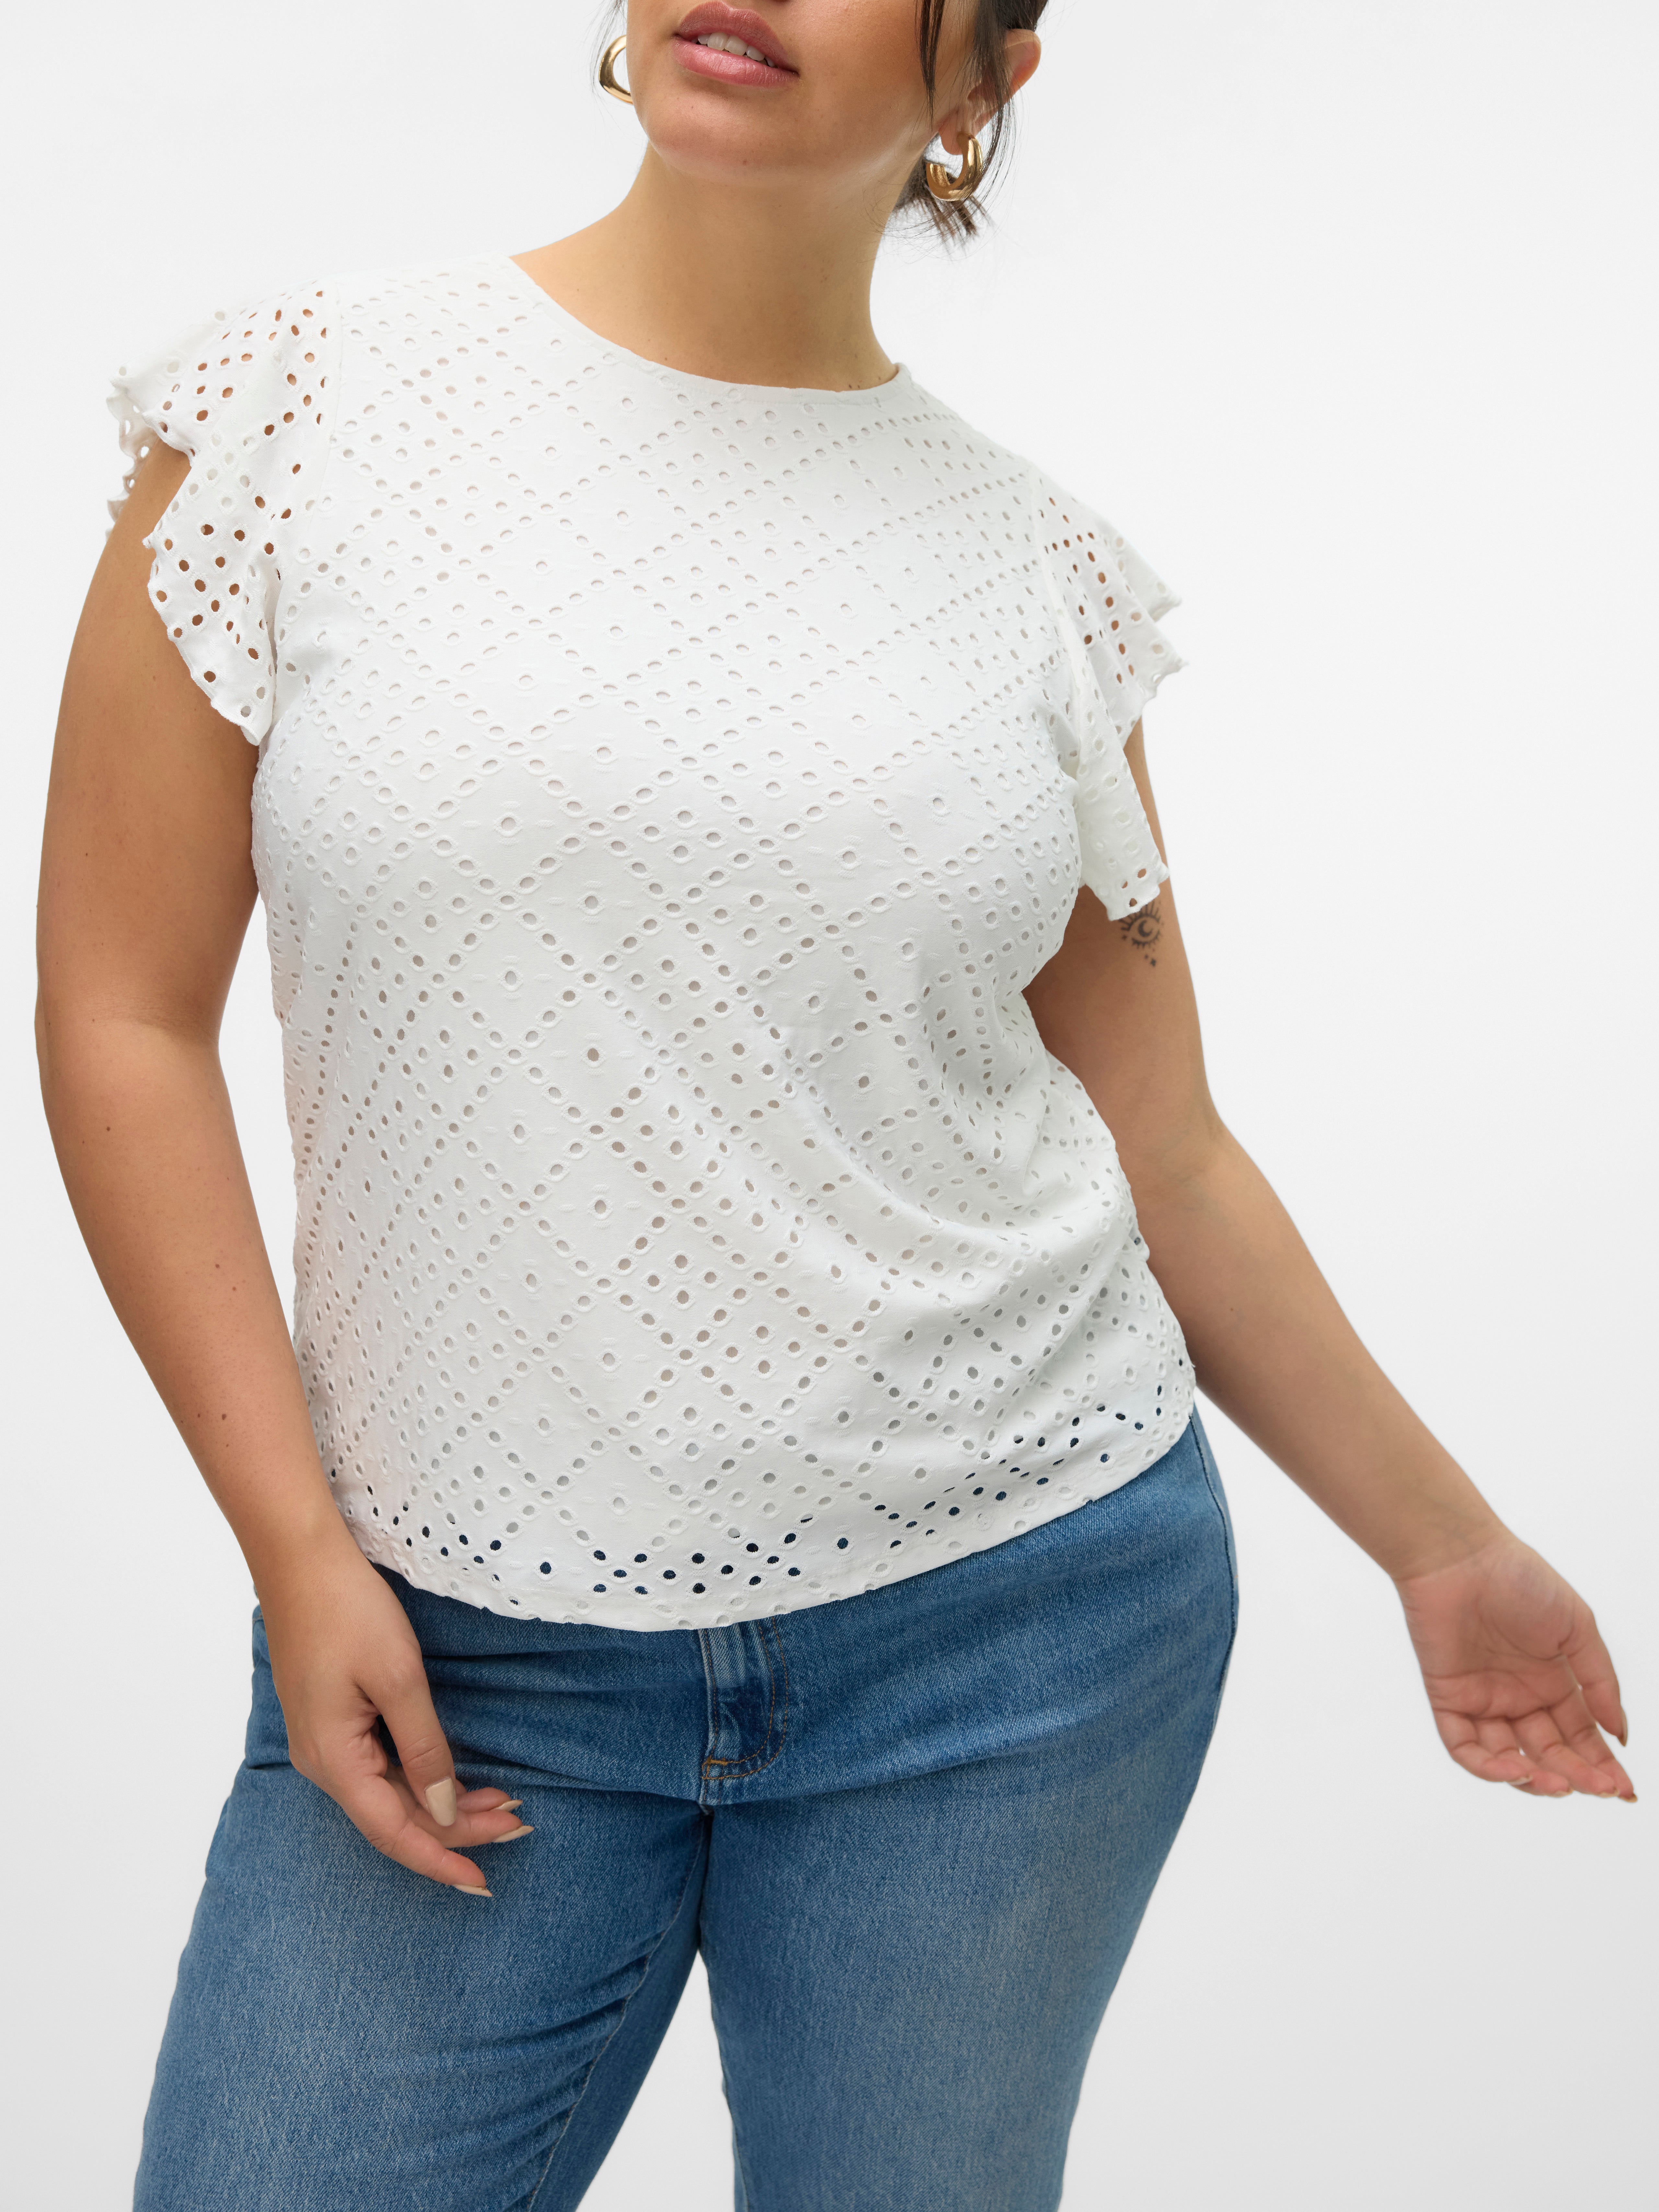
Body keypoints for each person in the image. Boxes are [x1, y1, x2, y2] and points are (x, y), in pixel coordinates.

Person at [36, 2, 1635, 2206]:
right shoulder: (292, 410)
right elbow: (121, 1013)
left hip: (1012, 1630)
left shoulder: (1035, 576)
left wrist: (1445, 1550)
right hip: (456, 1637)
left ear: (982, 85)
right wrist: (296, 1550)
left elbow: (1160, 1141)